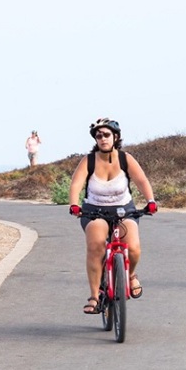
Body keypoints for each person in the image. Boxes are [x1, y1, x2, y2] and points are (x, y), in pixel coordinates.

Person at [68, 118, 158, 314]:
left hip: (124, 210)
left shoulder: (126, 159)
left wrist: (150, 200)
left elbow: (141, 180)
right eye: (98, 136)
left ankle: (131, 275)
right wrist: (74, 205)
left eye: (106, 135)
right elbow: (76, 184)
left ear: (115, 137)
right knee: (96, 245)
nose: (103, 139)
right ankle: (94, 295)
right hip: (94, 211)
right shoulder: (89, 160)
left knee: (133, 247)